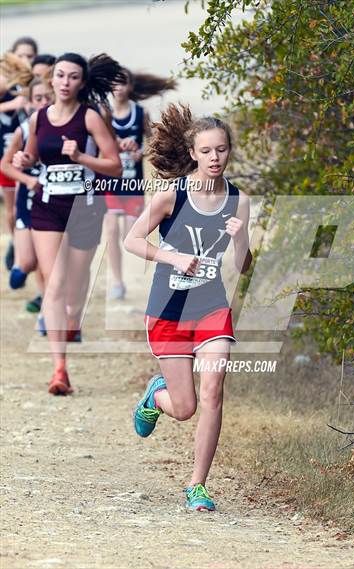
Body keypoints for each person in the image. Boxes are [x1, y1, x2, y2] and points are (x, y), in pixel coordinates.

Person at [124, 104, 252, 511]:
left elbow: (245, 265)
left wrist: (240, 238)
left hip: (212, 306)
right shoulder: (172, 195)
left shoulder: (238, 201)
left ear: (229, 151)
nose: (216, 158)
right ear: (194, 153)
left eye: (222, 150)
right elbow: (132, 240)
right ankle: (154, 397)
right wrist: (171, 257)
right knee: (185, 408)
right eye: (207, 151)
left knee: (214, 390)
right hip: (169, 309)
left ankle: (197, 485)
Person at [13, 52, 124, 395]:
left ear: (82, 82)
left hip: (84, 208)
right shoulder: (39, 118)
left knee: (75, 288)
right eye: (60, 75)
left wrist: (80, 157)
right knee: (55, 284)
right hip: (47, 207)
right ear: (52, 79)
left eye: (72, 77)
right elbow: (32, 155)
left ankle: (74, 319)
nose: (64, 82)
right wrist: (24, 159)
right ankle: (59, 369)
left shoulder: (90, 117)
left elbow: (115, 166)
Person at [105, 69, 175, 300]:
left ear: (130, 86)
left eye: (122, 83)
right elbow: (97, 141)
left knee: (129, 234)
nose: (118, 88)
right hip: (109, 183)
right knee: (112, 231)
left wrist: (140, 153)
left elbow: (151, 143)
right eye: (114, 83)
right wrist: (113, 146)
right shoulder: (104, 114)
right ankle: (117, 281)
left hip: (132, 185)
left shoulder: (140, 113)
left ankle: (139, 279)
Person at [1, 77, 54, 333]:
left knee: (47, 263)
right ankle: (20, 266)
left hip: (53, 204)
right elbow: (5, 165)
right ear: (30, 102)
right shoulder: (24, 128)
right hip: (27, 201)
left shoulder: (64, 128)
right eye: (38, 99)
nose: (43, 103)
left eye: (47, 98)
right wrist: (27, 179)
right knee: (29, 262)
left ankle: (47, 311)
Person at [0, 52, 33, 270]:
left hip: (27, 159)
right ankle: (16, 241)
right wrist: (12, 104)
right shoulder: (8, 97)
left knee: (26, 207)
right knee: (11, 211)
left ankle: (27, 248)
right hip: (5, 159)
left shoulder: (28, 90)